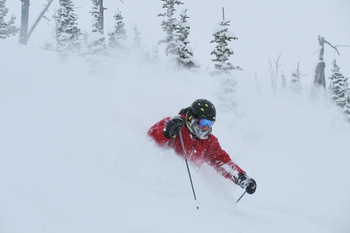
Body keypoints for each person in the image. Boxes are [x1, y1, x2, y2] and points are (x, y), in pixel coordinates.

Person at [147, 99, 257, 195]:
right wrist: (167, 133)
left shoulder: (209, 142)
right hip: (159, 182)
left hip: (183, 188)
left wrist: (240, 177)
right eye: (204, 122)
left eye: (210, 124)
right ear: (192, 118)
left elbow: (222, 162)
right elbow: (149, 138)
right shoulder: (175, 124)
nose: (206, 127)